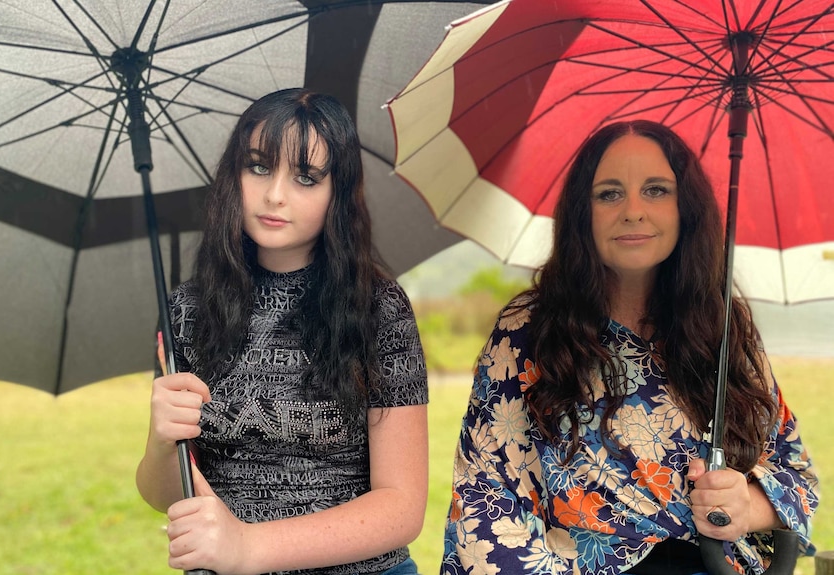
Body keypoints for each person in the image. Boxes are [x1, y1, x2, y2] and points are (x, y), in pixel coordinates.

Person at [441, 120, 819, 575]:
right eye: (610, 193)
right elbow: (487, 498)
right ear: (583, 213)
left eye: (657, 190)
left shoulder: (724, 326)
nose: (634, 211)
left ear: (686, 208)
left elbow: (796, 475)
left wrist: (747, 505)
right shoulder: (529, 330)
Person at [136, 88, 428, 575]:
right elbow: (166, 493)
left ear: (338, 192)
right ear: (235, 174)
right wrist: (161, 444)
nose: (275, 194)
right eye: (258, 166)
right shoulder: (186, 311)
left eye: (305, 177)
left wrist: (249, 547)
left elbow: (402, 506)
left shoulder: (379, 309)